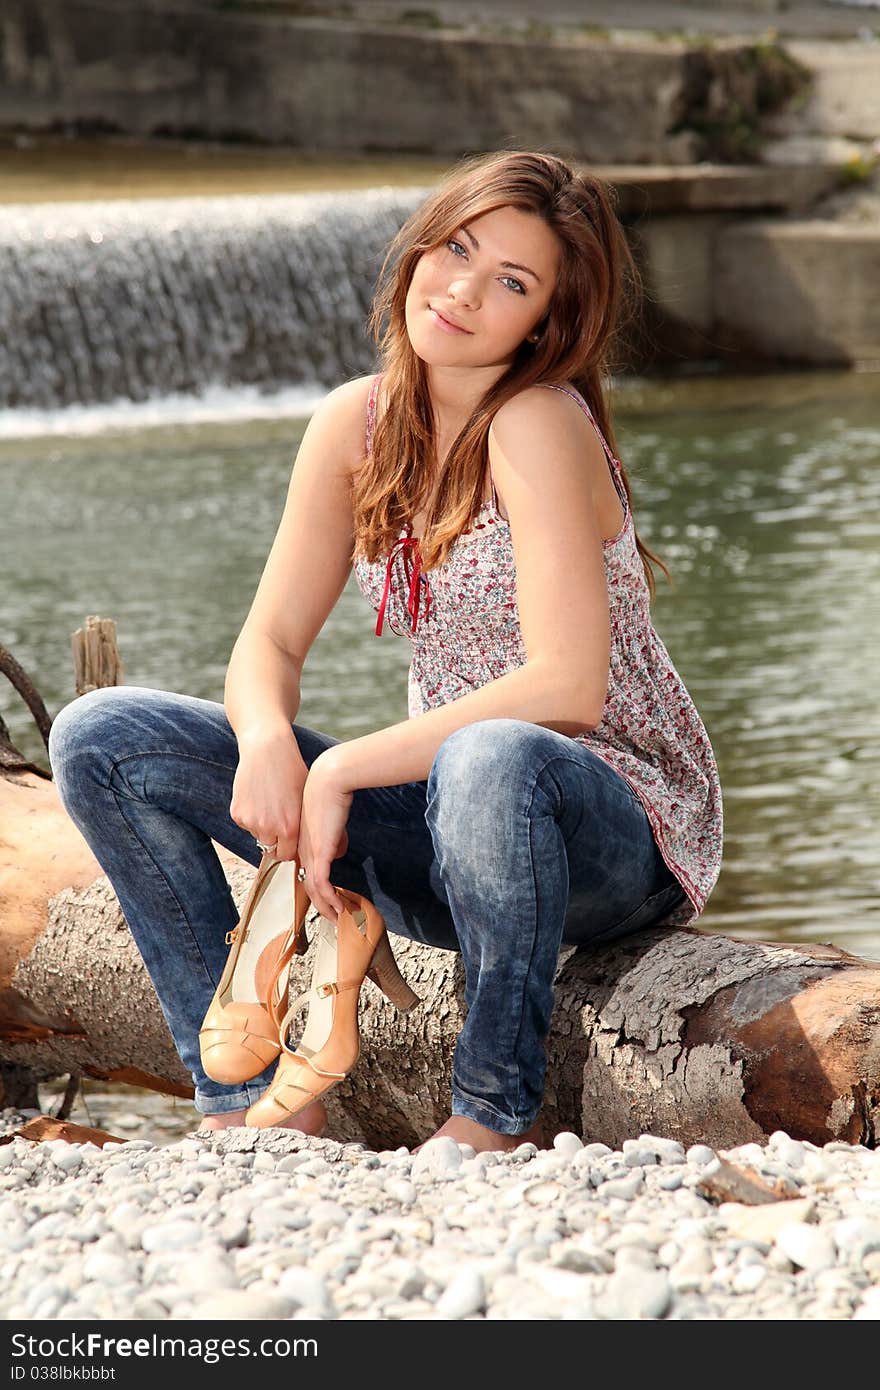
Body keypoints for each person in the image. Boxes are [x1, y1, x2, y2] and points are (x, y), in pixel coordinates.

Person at [48, 150, 723, 1154]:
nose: (460, 289)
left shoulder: (537, 420)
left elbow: (567, 688)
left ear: (543, 324)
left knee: (490, 752)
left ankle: (490, 1113)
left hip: (611, 830)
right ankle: (250, 1095)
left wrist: (341, 770)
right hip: (450, 824)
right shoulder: (354, 424)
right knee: (102, 735)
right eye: (456, 248)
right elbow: (269, 639)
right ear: (420, 244)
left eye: (511, 282)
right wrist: (270, 738)